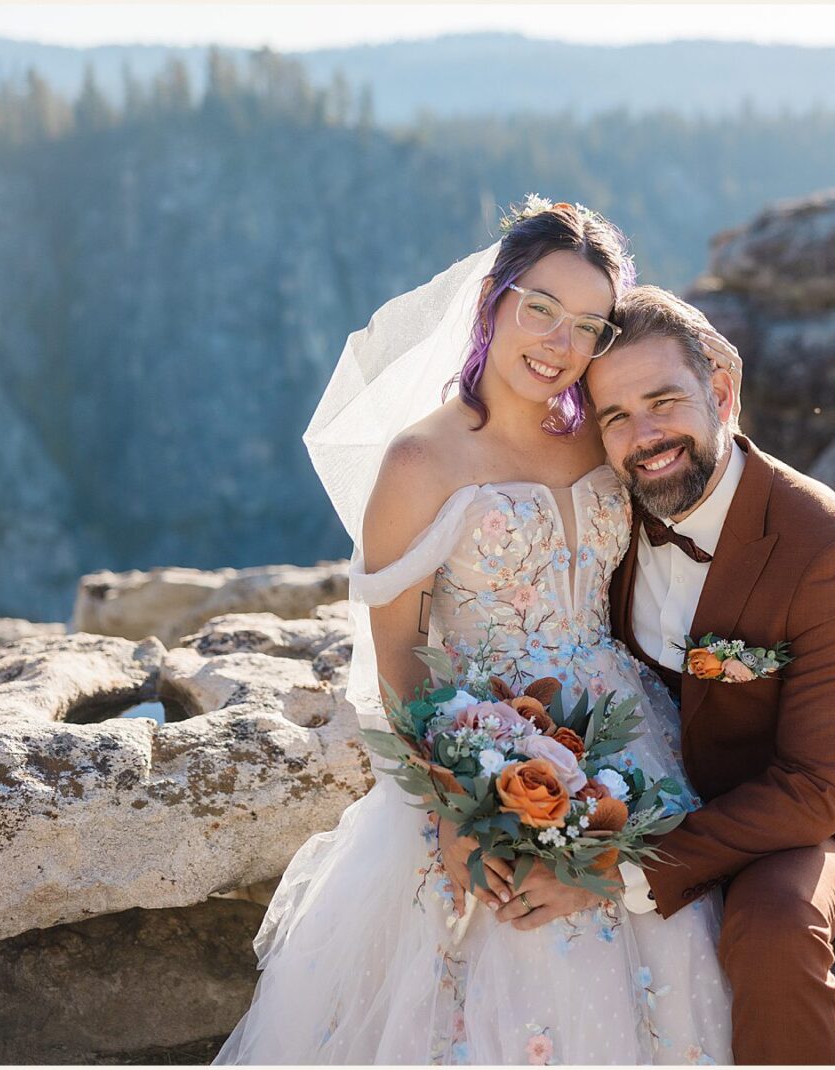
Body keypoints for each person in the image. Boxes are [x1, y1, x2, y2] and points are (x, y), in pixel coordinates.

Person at [213, 198, 734, 1065]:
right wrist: (453, 809)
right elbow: (397, 659)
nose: (560, 343)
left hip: (628, 739)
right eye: (542, 309)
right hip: (481, 754)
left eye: (589, 327)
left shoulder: (601, 441)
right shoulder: (421, 461)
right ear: (494, 296)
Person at [566, 285, 835, 1064]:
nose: (644, 437)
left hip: (793, 827)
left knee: (772, 929)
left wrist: (636, 868)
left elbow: (813, 790)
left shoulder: (827, 549)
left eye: (664, 402)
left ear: (720, 394)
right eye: (616, 416)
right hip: (640, 796)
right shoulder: (606, 514)